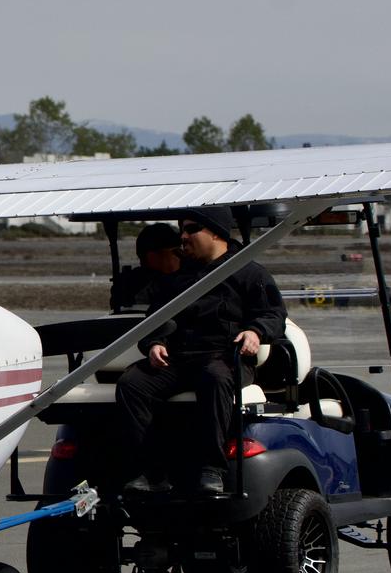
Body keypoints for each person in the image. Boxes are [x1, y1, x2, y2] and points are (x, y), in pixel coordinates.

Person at [115, 206, 286, 495]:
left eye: (191, 229)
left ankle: (211, 469)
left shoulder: (248, 271)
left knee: (214, 378)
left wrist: (255, 331)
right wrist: (154, 343)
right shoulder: (177, 278)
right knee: (133, 384)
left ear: (216, 232)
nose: (183, 236)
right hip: (180, 360)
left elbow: (273, 314)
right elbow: (154, 320)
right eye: (182, 229)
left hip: (227, 358)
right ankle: (152, 472)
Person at [110, 222, 187, 311]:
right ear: (152, 257)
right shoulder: (136, 285)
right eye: (175, 252)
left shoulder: (187, 278)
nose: (181, 255)